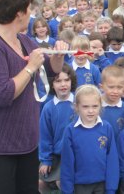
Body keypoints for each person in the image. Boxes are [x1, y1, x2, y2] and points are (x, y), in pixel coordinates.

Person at [0, 0, 67, 193]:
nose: (31, 13)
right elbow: (2, 94)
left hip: (27, 143)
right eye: (29, 8)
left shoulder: (24, 40)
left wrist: (58, 56)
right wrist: (30, 67)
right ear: (19, 12)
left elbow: (49, 71)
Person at [61, 84, 119, 194]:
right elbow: (67, 163)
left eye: (95, 106)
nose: (91, 111)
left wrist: (111, 188)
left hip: (102, 184)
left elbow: (112, 159)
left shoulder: (106, 128)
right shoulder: (70, 131)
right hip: (80, 185)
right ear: (77, 107)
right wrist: (67, 190)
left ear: (100, 106)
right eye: (85, 106)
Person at [38, 64, 77, 194]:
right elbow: (45, 136)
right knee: (40, 182)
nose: (63, 84)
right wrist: (45, 159)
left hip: (76, 153)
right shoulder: (49, 108)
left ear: (72, 81)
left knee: (63, 182)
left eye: (66, 80)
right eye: (58, 81)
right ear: (51, 84)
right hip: (56, 155)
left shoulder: (80, 102)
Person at [100, 65, 124, 139]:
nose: (115, 91)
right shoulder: (95, 107)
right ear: (101, 87)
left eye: (119, 87)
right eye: (111, 87)